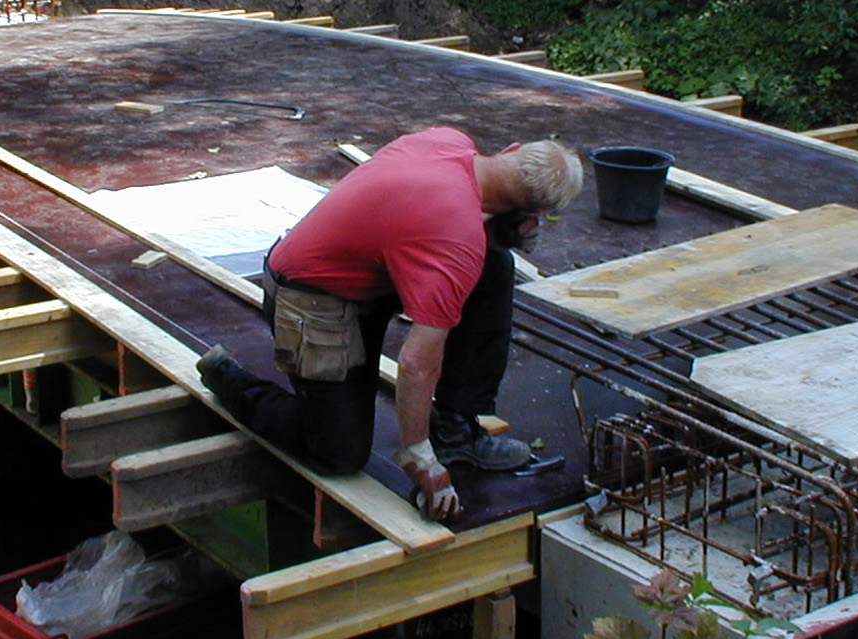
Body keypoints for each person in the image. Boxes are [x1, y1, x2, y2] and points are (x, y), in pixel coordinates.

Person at [197, 127, 583, 521]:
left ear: (512, 148)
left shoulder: (447, 139)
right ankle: (227, 377)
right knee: (338, 452)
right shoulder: (456, 238)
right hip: (311, 297)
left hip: (367, 273)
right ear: (532, 212)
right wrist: (419, 458)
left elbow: (424, 208)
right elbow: (417, 364)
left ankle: (455, 431)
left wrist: (496, 230)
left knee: (494, 263)